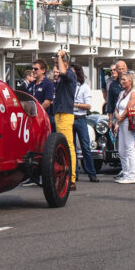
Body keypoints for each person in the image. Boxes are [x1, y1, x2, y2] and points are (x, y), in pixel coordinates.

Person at [52, 50, 78, 187]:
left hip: (65, 114)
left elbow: (63, 70)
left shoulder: (70, 74)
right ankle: (65, 175)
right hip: (59, 113)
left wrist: (61, 56)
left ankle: (71, 178)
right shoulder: (61, 77)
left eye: (57, 63)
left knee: (68, 146)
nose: (56, 66)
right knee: (62, 147)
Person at [111, 71, 135, 184]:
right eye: (121, 79)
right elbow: (117, 107)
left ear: (130, 81)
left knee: (130, 147)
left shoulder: (134, 93)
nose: (122, 81)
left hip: (128, 122)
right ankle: (125, 172)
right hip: (121, 122)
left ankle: (132, 175)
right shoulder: (122, 93)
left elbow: (129, 109)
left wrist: (120, 118)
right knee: (121, 149)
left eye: (124, 80)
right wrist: (117, 121)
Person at [72, 65, 97, 182]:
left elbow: (88, 105)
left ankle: (91, 172)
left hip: (80, 118)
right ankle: (74, 172)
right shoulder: (69, 86)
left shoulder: (84, 87)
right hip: (70, 118)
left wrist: (76, 104)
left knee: (85, 146)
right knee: (71, 147)